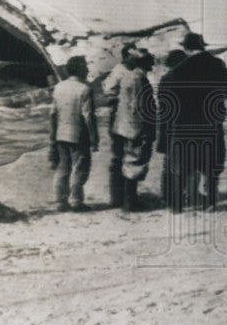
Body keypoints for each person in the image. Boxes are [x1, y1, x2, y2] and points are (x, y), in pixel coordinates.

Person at [162, 32, 227, 212]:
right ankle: (210, 203)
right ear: (203, 46)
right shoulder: (217, 64)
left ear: (186, 48)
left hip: (184, 122)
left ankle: (177, 206)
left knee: (182, 164)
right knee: (210, 163)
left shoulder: (179, 68)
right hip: (210, 122)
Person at [102, 44, 156, 213]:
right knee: (134, 162)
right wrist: (147, 127)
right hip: (135, 127)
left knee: (125, 160)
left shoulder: (130, 76)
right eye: (149, 62)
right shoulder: (138, 79)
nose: (152, 65)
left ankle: (123, 199)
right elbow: (139, 106)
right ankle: (130, 202)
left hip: (124, 125)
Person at [49, 55, 99, 211]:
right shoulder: (85, 89)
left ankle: (60, 201)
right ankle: (76, 201)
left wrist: (52, 136)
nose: (88, 69)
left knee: (63, 167)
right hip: (79, 134)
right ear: (80, 69)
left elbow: (53, 114)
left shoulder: (59, 87)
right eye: (85, 67)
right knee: (80, 167)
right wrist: (94, 137)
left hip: (61, 134)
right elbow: (88, 116)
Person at [155, 49, 188, 206]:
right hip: (183, 125)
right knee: (183, 163)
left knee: (169, 162)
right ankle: (178, 197)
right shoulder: (189, 81)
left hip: (167, 124)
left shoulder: (165, 79)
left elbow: (162, 104)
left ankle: (167, 195)